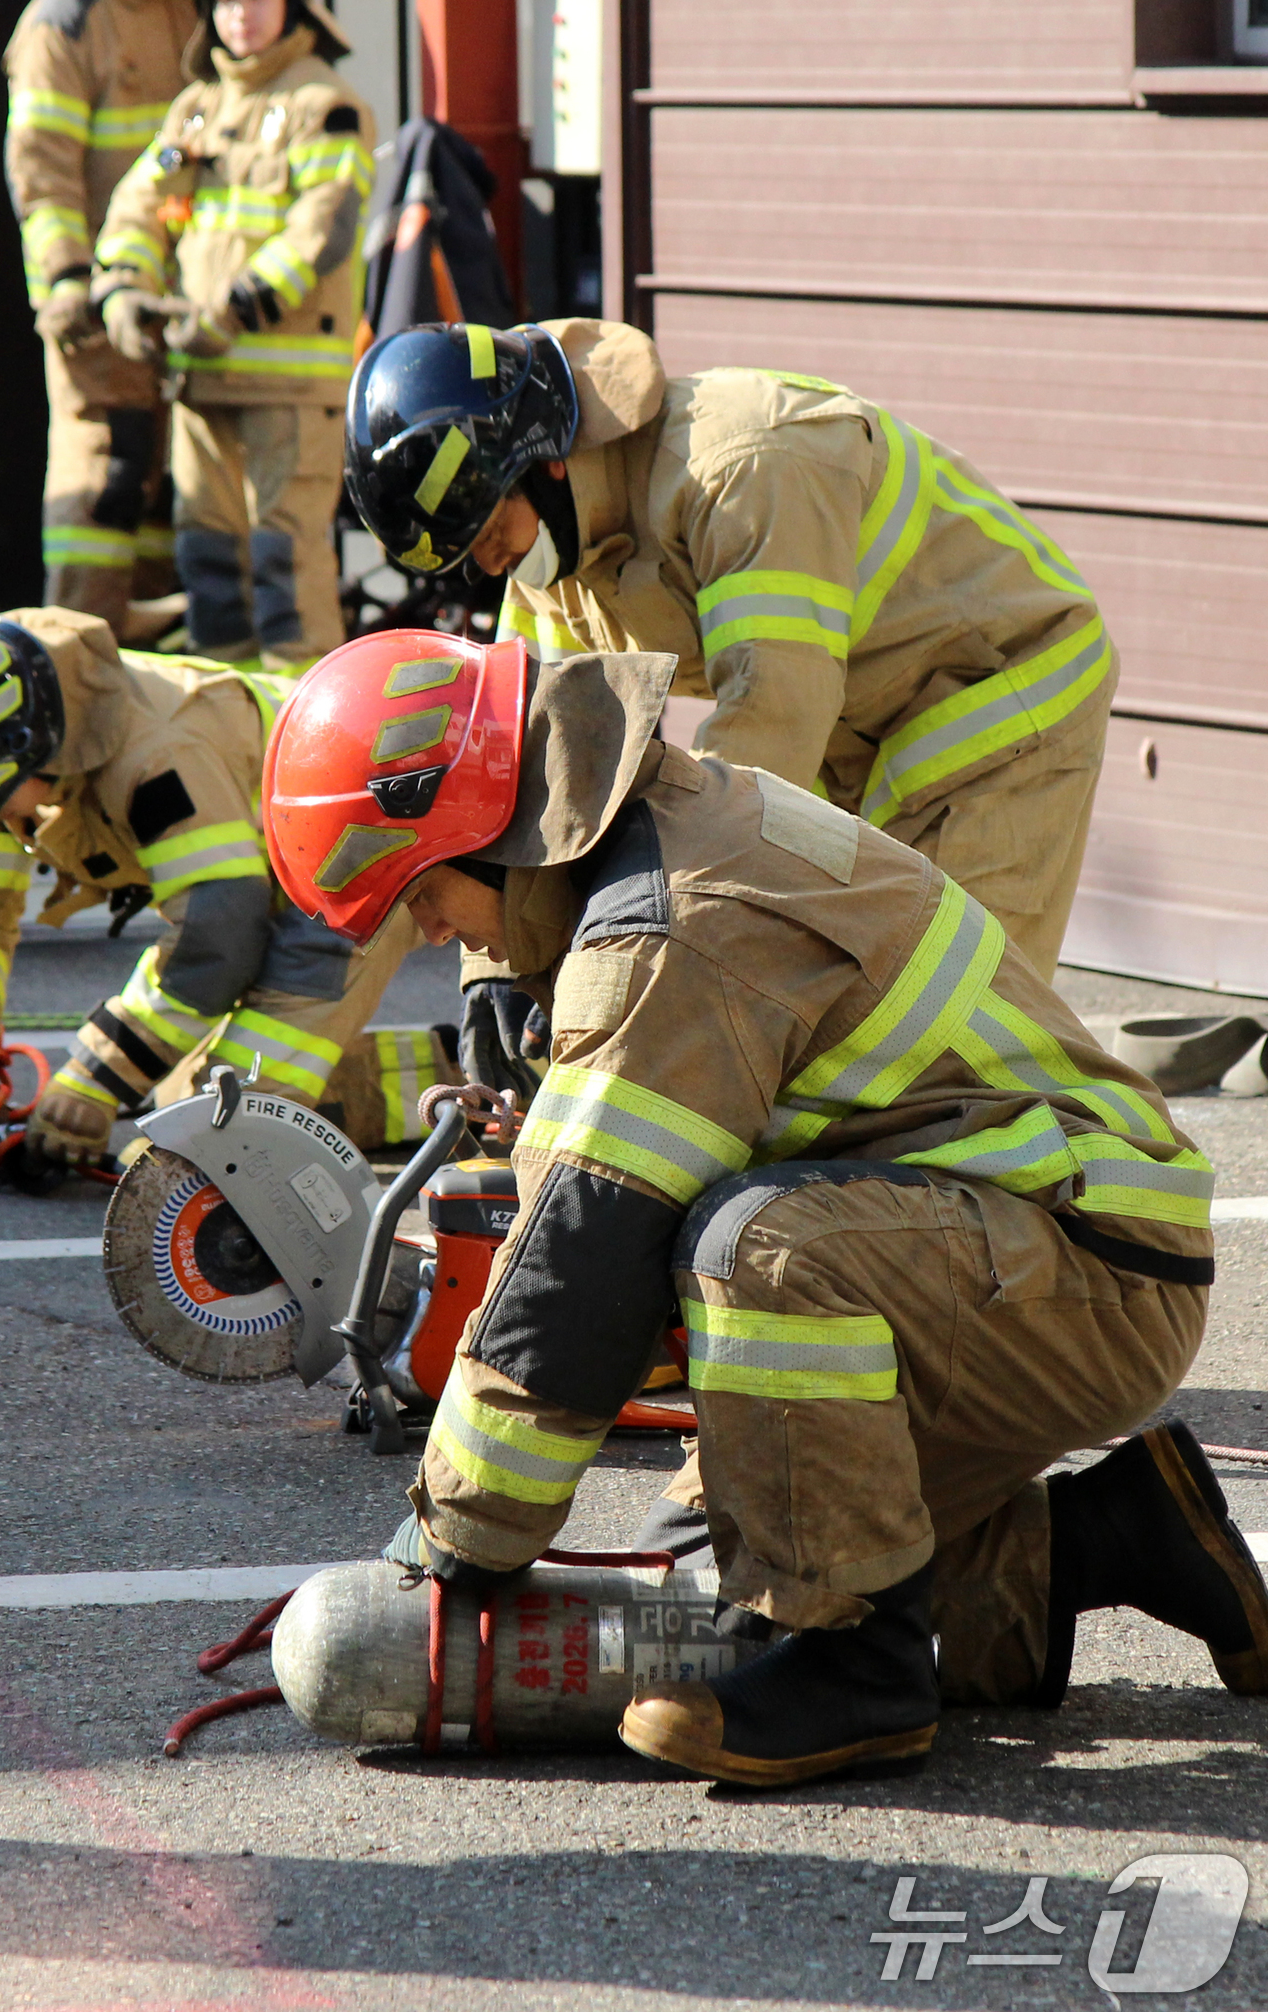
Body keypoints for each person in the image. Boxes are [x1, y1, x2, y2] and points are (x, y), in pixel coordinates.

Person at [259, 625, 1267, 1789]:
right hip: (1021, 1247)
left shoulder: (668, 925)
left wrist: (456, 1542)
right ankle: (1107, 1540)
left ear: (489, 829)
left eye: (422, 895)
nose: (434, 934)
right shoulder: (666, 830)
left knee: (754, 1253)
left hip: (1089, 1272)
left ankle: (862, 1673)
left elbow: (581, 1267)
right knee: (704, 1563)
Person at [344, 320, 1118, 984]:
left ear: (544, 460)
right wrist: (505, 970)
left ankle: (1086, 1157)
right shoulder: (549, 552)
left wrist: (655, 924)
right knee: (836, 1003)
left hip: (1000, 700)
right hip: (860, 729)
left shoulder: (744, 466)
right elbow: (533, 770)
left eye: (486, 535)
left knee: (945, 1009)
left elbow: (770, 713)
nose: (488, 568)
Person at [0, 612, 436, 1170]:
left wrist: (96, 1079)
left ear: (30, 753)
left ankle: (453, 1088)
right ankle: (465, 1079)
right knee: (184, 1103)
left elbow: (217, 934)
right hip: (266, 862)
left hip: (359, 843)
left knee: (224, 1132)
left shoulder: (155, 758)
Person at [92, 0, 375, 668]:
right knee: (210, 569)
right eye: (221, 0)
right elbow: (138, 206)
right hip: (201, 376)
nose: (237, 14)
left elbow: (323, 231)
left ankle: (308, 751)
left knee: (285, 569)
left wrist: (233, 311)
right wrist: (121, 286)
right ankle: (224, 736)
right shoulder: (197, 107)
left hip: (287, 386)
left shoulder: (326, 105)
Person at [6, 0, 197, 635]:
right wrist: (65, 280)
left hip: (171, 299)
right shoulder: (63, 21)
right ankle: (74, 663)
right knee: (103, 488)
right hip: (95, 307)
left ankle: (149, 679)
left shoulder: (178, 2)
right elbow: (41, 172)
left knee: (158, 493)